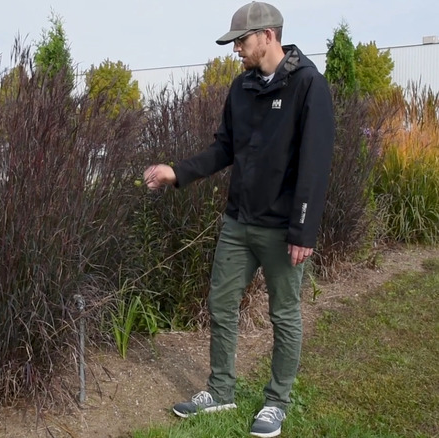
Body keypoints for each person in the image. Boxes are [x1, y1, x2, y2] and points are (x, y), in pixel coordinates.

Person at [142, 2, 335, 437]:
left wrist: (304, 229)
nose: (236, 51)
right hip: (238, 223)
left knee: (284, 315)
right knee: (221, 305)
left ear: (267, 36)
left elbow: (315, 165)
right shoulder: (241, 88)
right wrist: (178, 172)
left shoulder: (309, 85)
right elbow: (223, 148)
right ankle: (221, 389)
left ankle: (276, 402)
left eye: (241, 42)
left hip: (284, 229)